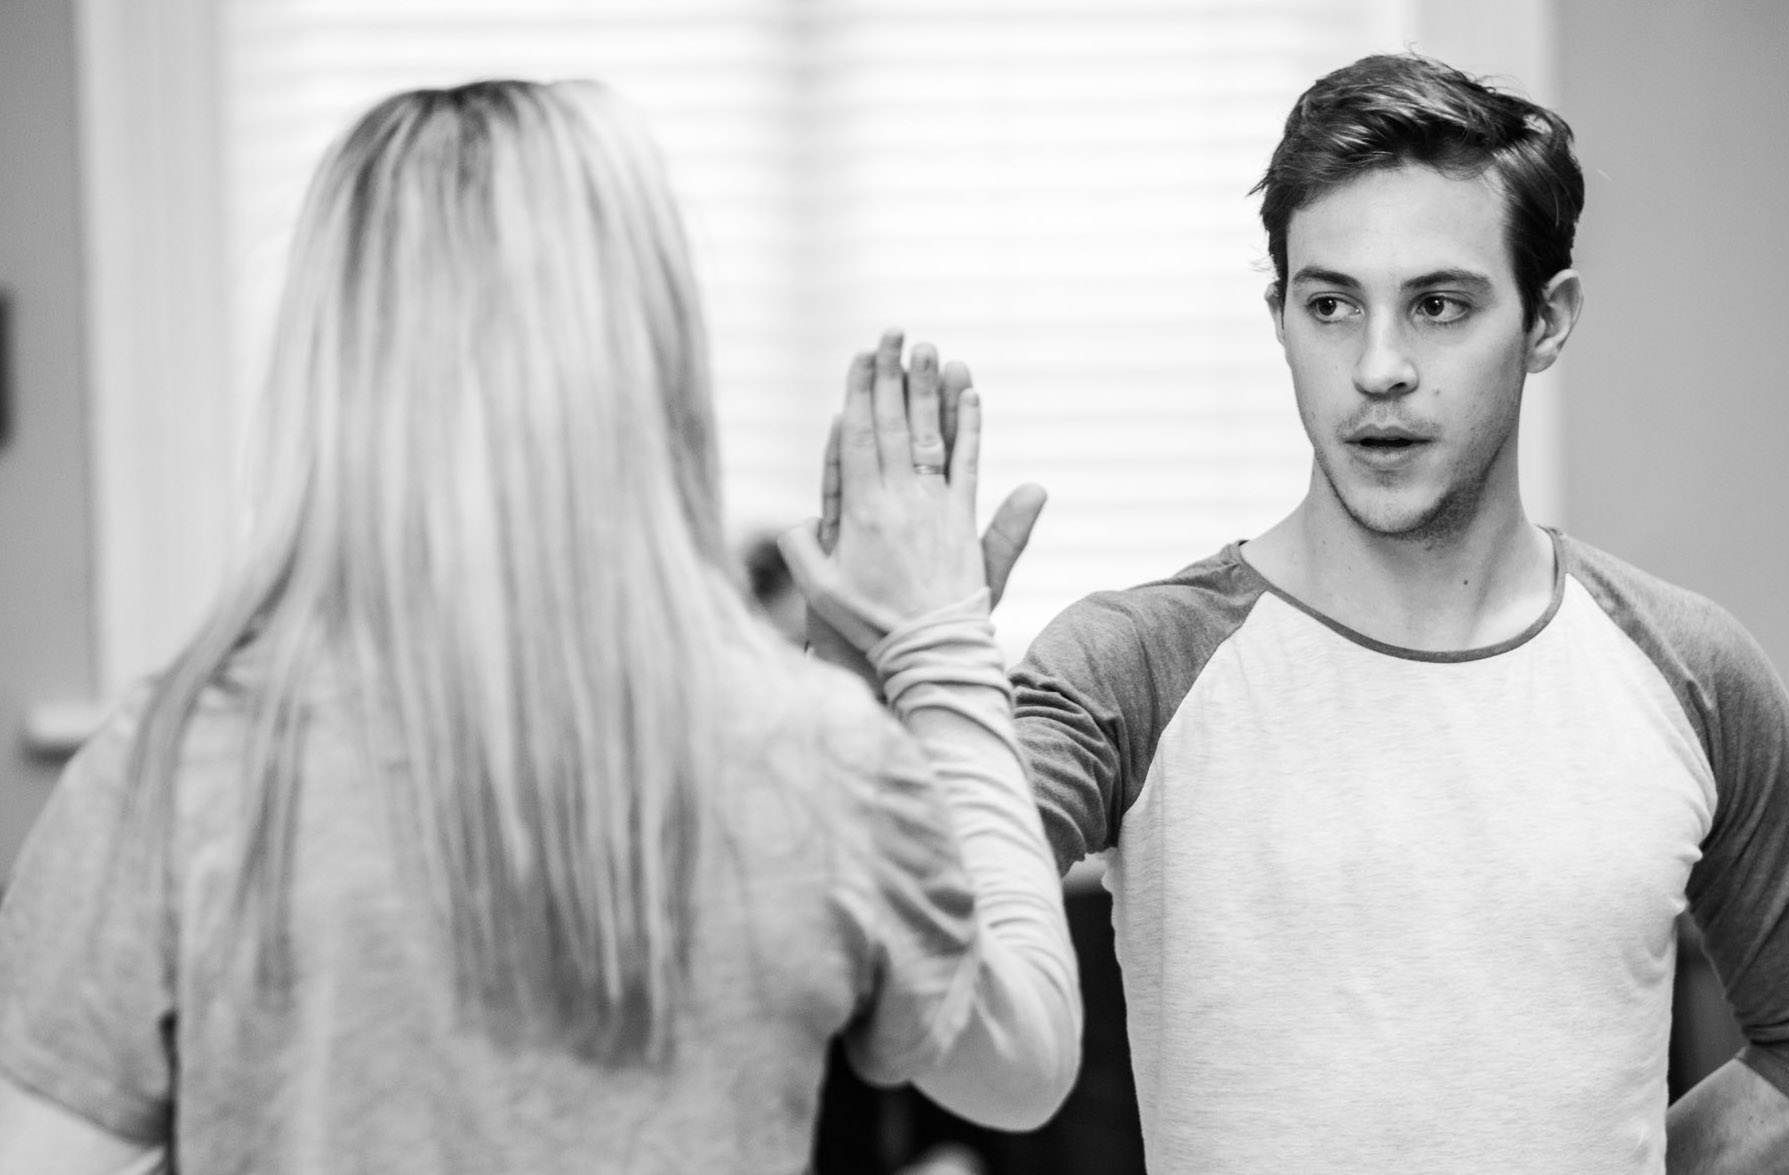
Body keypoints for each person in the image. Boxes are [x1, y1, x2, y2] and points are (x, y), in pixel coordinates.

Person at [789, 53, 1789, 1174]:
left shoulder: (1689, 668)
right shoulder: (1132, 663)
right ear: (1279, 317)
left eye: (1438, 306)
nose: (1379, 367)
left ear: (1548, 319)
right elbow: (908, 972)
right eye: (1330, 305)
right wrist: (856, 682)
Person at [0, 80, 1079, 1174]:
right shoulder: (814, 756)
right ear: (651, 359)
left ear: (325, 364)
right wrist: (940, 646)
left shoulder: (181, 761)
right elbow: (1023, 1062)